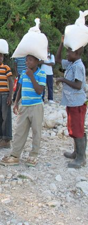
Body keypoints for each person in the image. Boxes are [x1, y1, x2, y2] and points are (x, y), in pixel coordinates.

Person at [0, 55, 46, 167]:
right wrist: (16, 103)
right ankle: (15, 155)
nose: (27, 62)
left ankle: (33, 155)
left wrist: (32, 77)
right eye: (26, 60)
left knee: (36, 131)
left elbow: (39, 91)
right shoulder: (24, 73)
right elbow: (20, 88)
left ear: (37, 61)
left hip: (36, 106)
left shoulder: (41, 74)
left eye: (30, 60)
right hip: (24, 106)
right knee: (20, 131)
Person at [55, 36, 87, 168]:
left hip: (77, 103)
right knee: (74, 128)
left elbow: (78, 85)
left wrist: (62, 80)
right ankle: (77, 152)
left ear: (77, 54)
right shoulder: (72, 63)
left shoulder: (78, 66)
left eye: (69, 52)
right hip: (72, 102)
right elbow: (57, 60)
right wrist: (61, 44)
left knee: (77, 129)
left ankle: (80, 158)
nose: (67, 54)